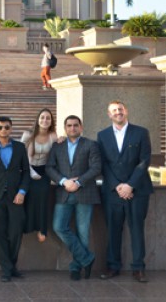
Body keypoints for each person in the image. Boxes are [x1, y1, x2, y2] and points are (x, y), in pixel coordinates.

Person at [97, 100, 153, 283]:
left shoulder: (141, 132)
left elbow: (144, 160)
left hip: (138, 190)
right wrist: (117, 185)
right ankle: (113, 266)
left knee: (137, 228)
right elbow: (102, 163)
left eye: (120, 109)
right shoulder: (102, 135)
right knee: (113, 229)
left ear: (126, 111)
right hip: (113, 191)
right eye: (114, 110)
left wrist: (130, 185)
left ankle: (138, 268)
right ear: (109, 114)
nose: (118, 112)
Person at [45, 115, 101, 281]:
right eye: (69, 126)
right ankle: (87, 259)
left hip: (85, 193)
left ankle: (77, 267)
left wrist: (80, 182)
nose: (72, 128)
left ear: (81, 127)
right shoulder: (58, 146)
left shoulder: (91, 145)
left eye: (75, 125)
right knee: (59, 227)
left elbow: (96, 167)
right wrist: (63, 181)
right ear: (65, 128)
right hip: (64, 193)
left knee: (83, 232)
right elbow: (50, 167)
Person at [0, 116, 30, 282]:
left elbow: (26, 173)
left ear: (11, 129)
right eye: (0, 127)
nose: (3, 130)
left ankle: (11, 265)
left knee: (16, 231)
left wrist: (22, 192)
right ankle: (7, 269)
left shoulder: (20, 147)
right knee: (0, 233)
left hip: (16, 196)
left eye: (7, 127)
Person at [20, 108, 57, 243]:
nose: (45, 120)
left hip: (44, 169)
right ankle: (27, 226)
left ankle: (42, 229)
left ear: (51, 121)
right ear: (37, 119)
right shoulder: (28, 134)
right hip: (28, 168)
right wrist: (29, 171)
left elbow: (56, 154)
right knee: (28, 192)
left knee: (43, 191)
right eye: (42, 117)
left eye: (48, 118)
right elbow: (20, 154)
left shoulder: (53, 136)